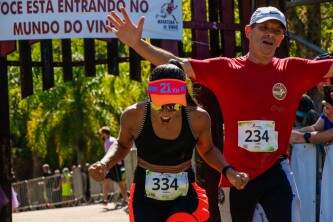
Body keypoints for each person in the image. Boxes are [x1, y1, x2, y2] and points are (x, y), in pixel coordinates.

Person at [106, 6, 333, 221]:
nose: (270, 34)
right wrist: (137, 44)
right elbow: (176, 64)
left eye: (276, 31)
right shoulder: (226, 69)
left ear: (281, 38)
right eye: (264, 28)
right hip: (235, 174)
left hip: (276, 168)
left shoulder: (293, 69)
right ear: (248, 31)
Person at [89, 61, 249, 222]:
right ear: (150, 95)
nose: (166, 111)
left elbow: (207, 150)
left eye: (173, 105)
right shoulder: (133, 116)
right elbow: (122, 144)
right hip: (144, 196)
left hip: (184, 194)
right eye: (159, 105)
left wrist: (228, 170)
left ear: (183, 96)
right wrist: (104, 163)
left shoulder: (198, 118)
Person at [98, 126, 128, 206]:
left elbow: (113, 153)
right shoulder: (107, 141)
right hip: (110, 165)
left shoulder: (111, 141)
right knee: (105, 180)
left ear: (105, 133)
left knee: (120, 183)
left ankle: (126, 199)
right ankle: (105, 200)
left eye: (102, 133)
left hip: (115, 164)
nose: (101, 135)